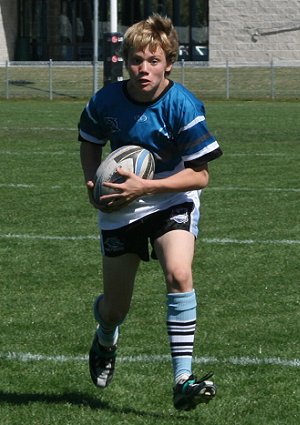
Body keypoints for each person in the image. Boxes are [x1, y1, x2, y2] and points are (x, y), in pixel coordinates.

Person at [78, 14, 222, 411]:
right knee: (116, 305)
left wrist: (149, 186)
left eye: (154, 61)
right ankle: (106, 334)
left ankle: (182, 378)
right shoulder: (106, 100)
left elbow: (201, 175)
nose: (144, 69)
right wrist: (93, 183)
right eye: (137, 60)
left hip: (171, 194)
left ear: (169, 63)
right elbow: (90, 140)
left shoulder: (182, 104)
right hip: (122, 202)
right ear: (126, 61)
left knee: (178, 273)